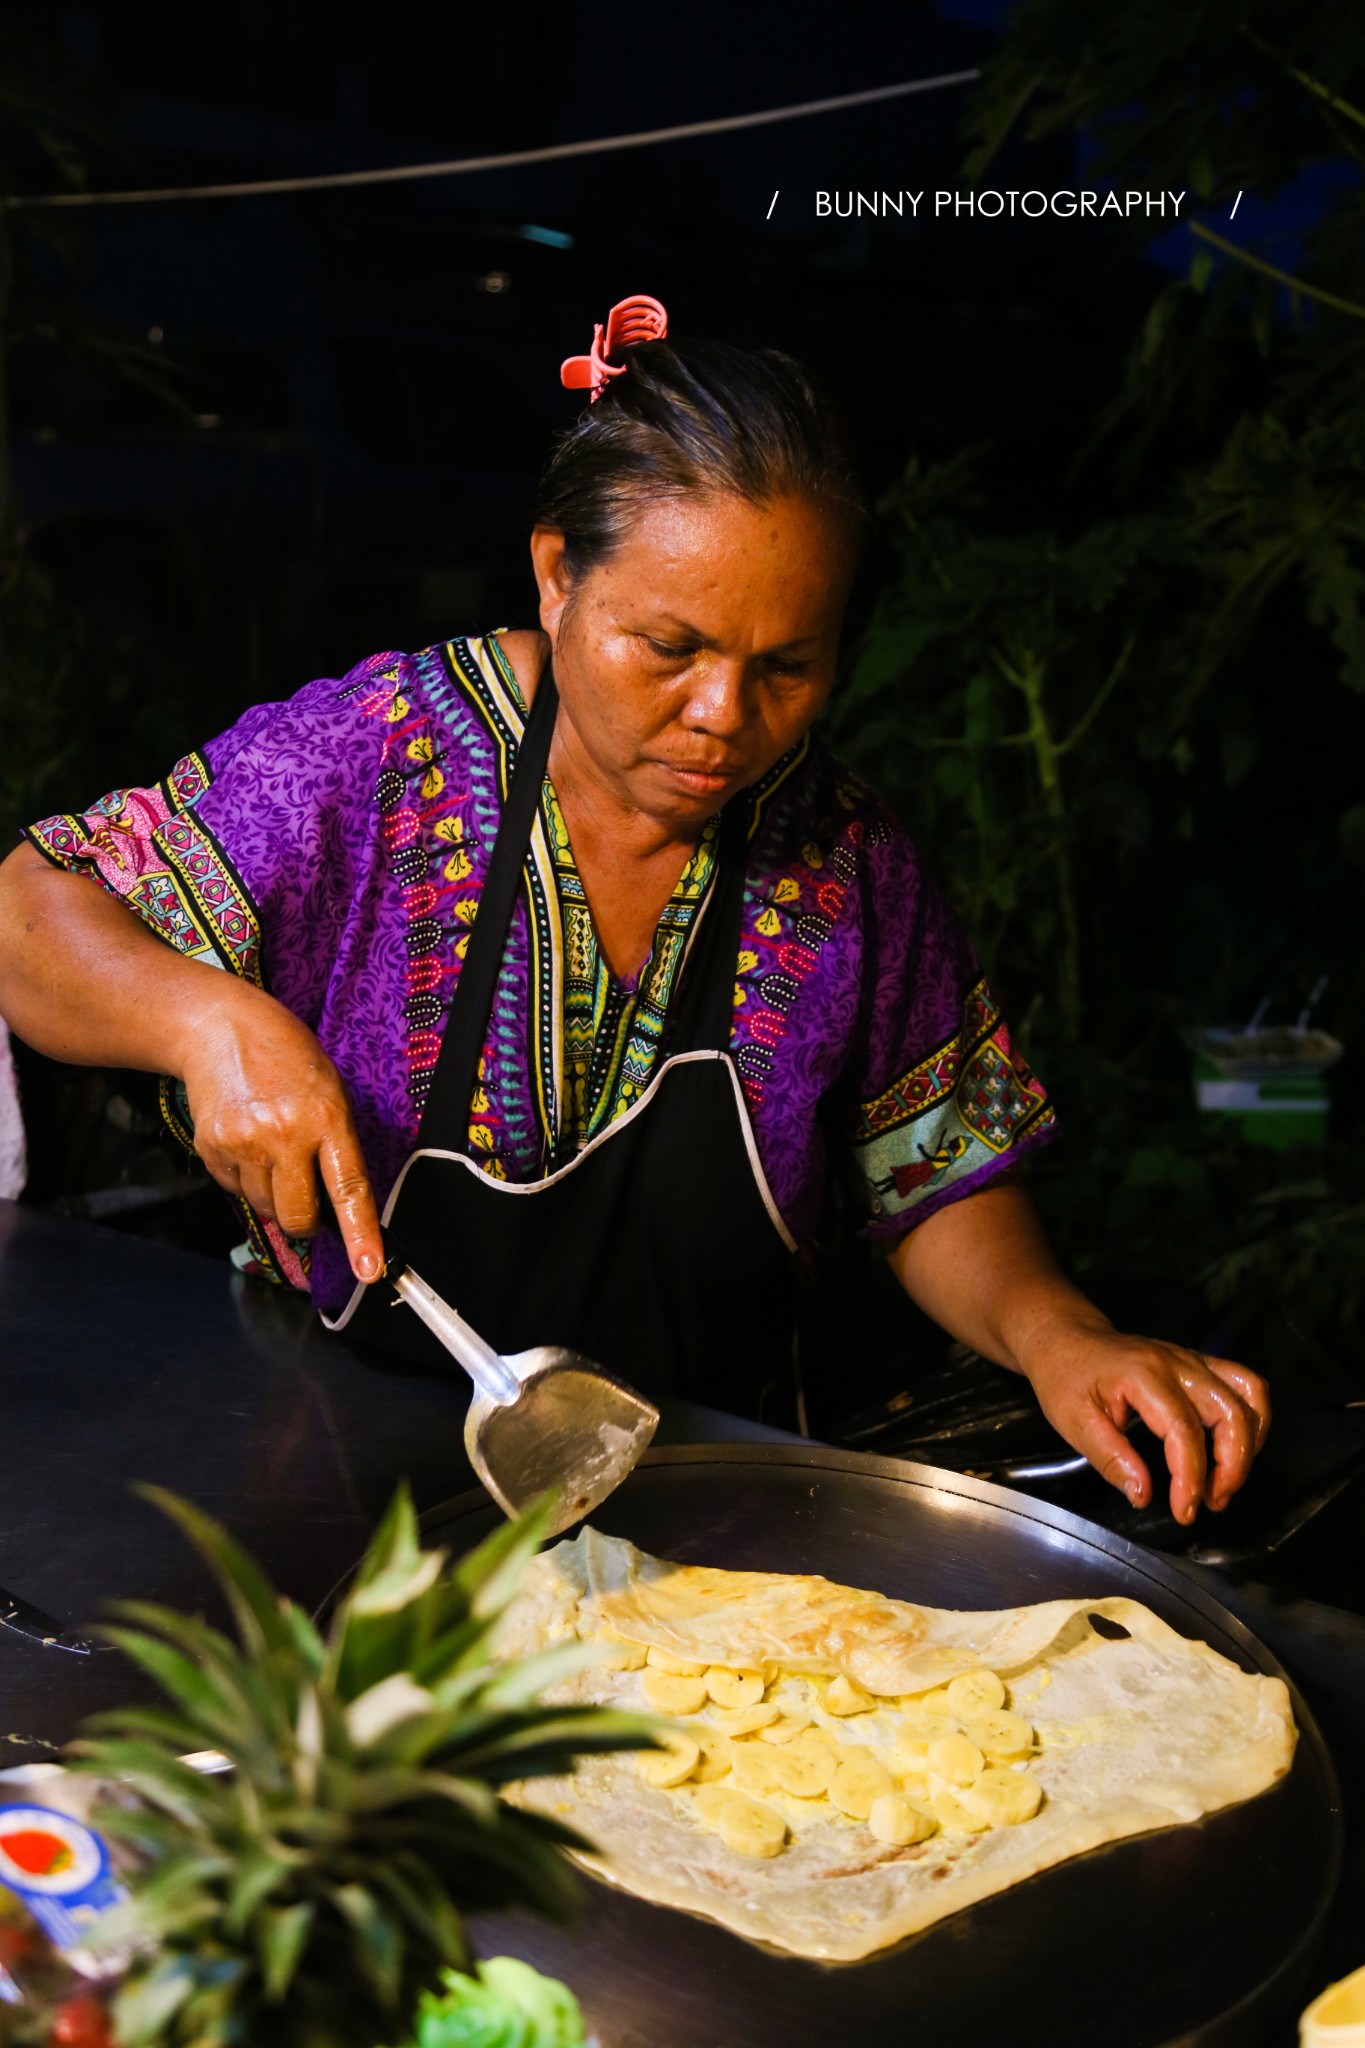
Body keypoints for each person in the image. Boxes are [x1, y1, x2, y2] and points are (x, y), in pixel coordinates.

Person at [0, 293, 1269, 1526]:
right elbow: (27, 912)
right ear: (557, 572)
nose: (726, 714)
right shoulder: (370, 759)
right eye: (670, 645)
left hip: (714, 1498)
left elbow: (932, 1164)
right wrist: (204, 1022)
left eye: (788, 664)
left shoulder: (846, 857)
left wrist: (1064, 1337)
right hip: (333, 1471)